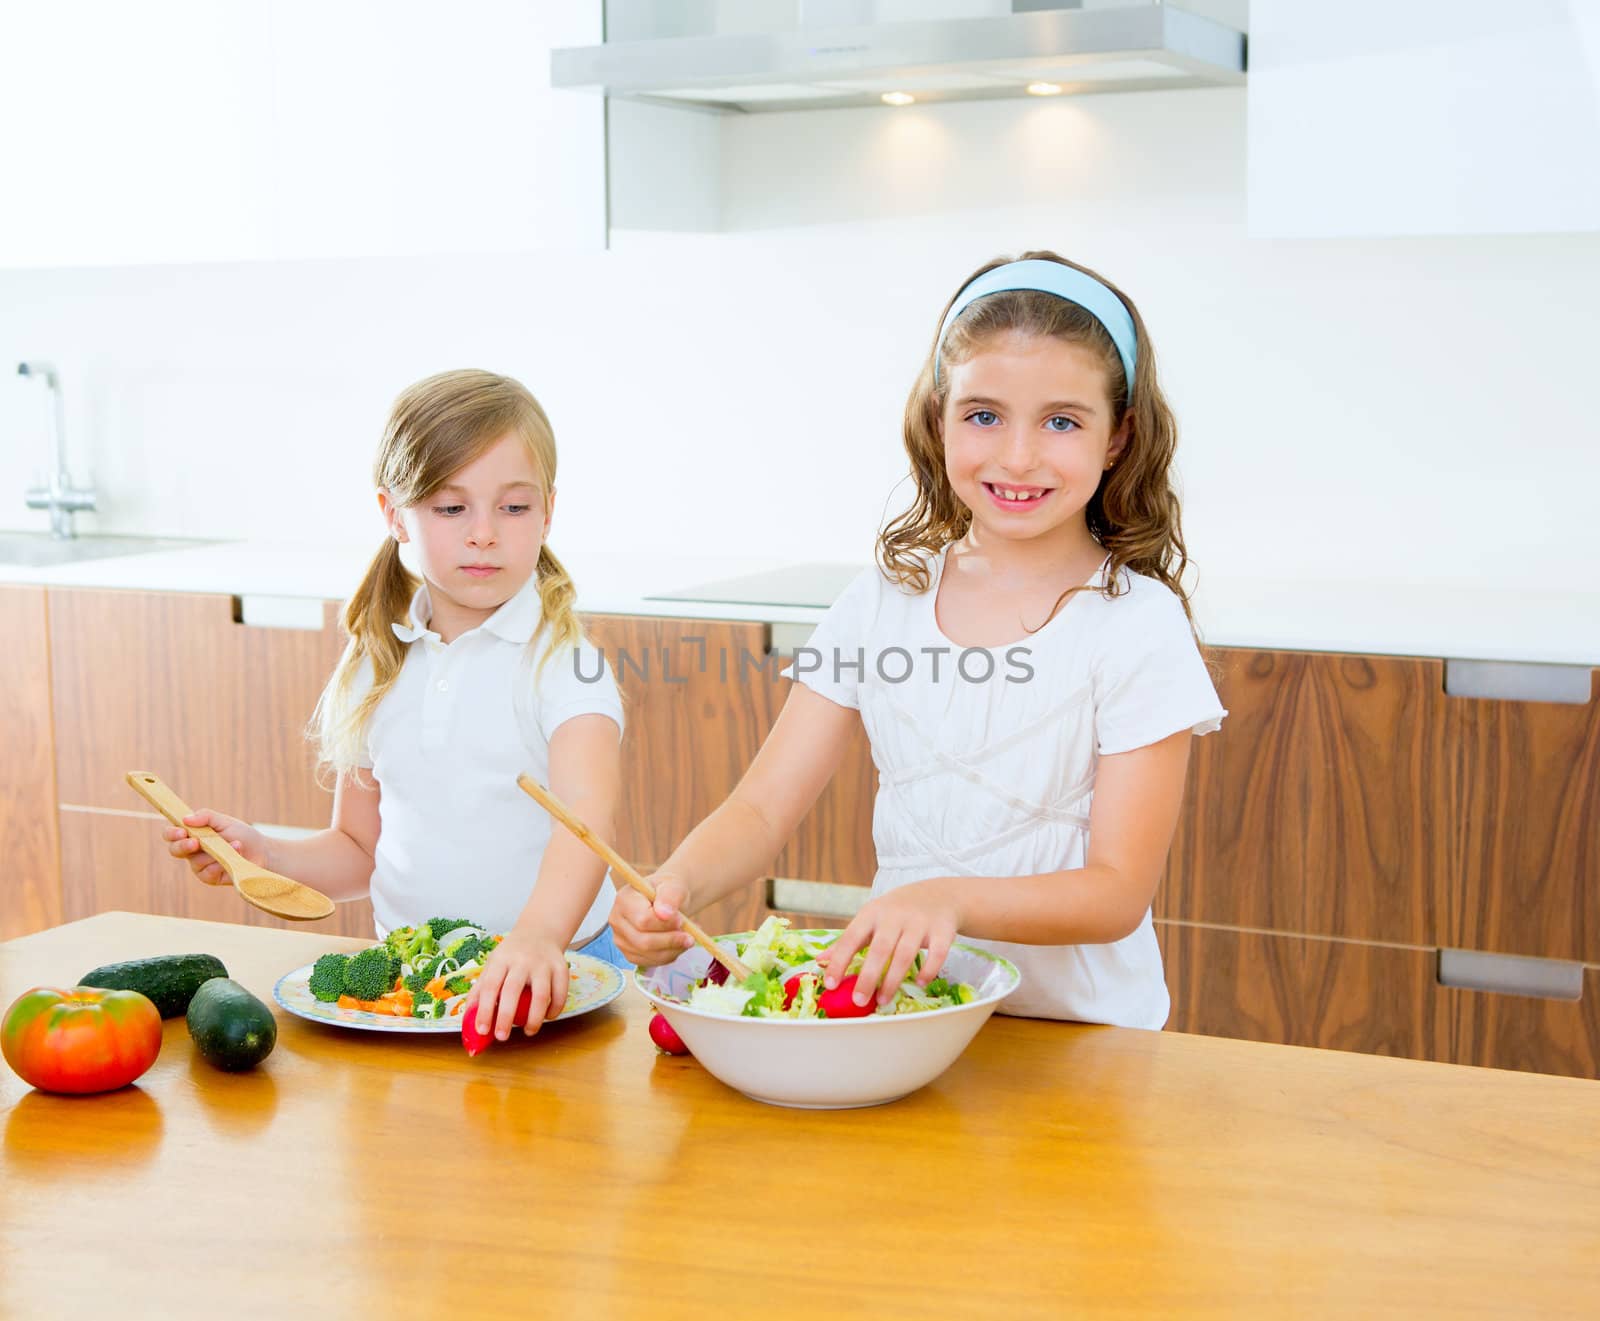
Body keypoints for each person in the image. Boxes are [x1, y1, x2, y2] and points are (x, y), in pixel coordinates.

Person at [611, 252, 1225, 1028]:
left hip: (1085, 1039)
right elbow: (763, 809)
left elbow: (1115, 891)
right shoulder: (881, 603)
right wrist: (677, 884)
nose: (1018, 455)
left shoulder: (1136, 624)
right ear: (939, 420)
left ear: (1117, 436)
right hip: (910, 1027)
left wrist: (950, 899)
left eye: (1062, 421)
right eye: (983, 414)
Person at [164, 368, 627, 1042]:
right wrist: (263, 852)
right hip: (419, 990)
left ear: (548, 511)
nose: (484, 533)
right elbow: (359, 850)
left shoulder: (566, 662)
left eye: (514, 507)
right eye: (451, 508)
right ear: (393, 514)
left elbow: (588, 823)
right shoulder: (375, 662)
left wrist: (534, 939)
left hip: (559, 976)